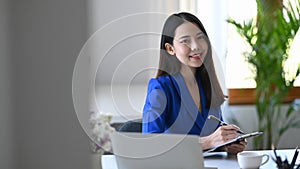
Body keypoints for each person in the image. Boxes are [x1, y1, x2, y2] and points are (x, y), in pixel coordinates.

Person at [142, 12, 246, 154]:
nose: (196, 46)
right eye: (185, 41)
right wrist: (208, 141)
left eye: (200, 38)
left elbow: (213, 139)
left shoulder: (207, 85)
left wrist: (226, 143)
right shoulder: (161, 87)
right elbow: (150, 144)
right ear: (170, 49)